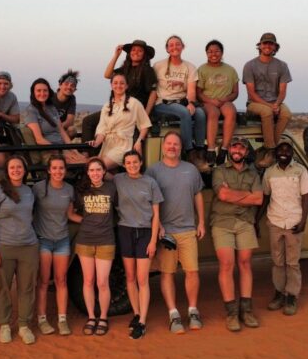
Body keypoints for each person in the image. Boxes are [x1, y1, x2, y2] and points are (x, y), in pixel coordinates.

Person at [147, 131, 206, 333]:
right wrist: (157, 227)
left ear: (181, 148)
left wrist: (201, 222)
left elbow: (198, 195)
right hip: (166, 232)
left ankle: (192, 310)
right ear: (163, 147)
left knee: (192, 271)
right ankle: (173, 314)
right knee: (167, 273)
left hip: (189, 229)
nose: (172, 147)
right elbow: (148, 201)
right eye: (169, 143)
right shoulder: (153, 171)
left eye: (176, 144)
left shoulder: (191, 170)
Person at [0, 155, 40, 345]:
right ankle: (5, 325)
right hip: (4, 247)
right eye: (12, 167)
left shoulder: (29, 191)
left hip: (28, 246)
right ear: (7, 171)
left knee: (27, 287)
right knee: (3, 287)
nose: (16, 170)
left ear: (25, 169)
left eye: (20, 167)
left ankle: (24, 325)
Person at [210, 137, 264, 331]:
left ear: (246, 152)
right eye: (234, 146)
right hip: (222, 222)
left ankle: (246, 310)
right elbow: (222, 195)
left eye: (241, 148)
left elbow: (259, 199)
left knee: (245, 263)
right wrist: (246, 196)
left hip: (245, 222)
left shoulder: (253, 173)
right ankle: (232, 313)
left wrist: (234, 195)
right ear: (229, 150)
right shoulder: (219, 170)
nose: (237, 150)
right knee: (226, 264)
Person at [113, 150, 162, 340]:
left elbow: (156, 214)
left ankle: (142, 321)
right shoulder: (118, 179)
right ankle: (135, 313)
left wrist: (153, 241)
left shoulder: (150, 183)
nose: (132, 165)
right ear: (124, 164)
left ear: (140, 163)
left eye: (135, 162)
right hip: (125, 230)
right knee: (131, 277)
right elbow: (98, 172)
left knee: (143, 279)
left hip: (144, 233)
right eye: (128, 163)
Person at [33, 155, 81, 336]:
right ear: (48, 170)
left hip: (62, 241)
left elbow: (70, 215)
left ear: (65, 170)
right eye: (54, 168)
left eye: (61, 168)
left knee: (61, 280)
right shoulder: (38, 188)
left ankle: (62, 320)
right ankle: (42, 320)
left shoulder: (69, 190)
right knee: (44, 281)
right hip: (43, 240)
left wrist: (89, 222)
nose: (58, 171)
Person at [263, 142, 308, 316]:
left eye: (287, 150)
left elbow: (306, 197)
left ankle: (291, 296)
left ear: (292, 153)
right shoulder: (269, 173)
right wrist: (255, 220)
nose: (284, 153)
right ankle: (278, 294)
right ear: (276, 153)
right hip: (275, 221)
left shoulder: (300, 171)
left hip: (294, 222)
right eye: (281, 150)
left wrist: (303, 220)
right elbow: (266, 198)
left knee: (292, 263)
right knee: (277, 262)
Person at [74, 157, 118, 336]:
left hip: (106, 240)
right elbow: (71, 212)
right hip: (85, 240)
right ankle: (91, 316)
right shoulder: (82, 191)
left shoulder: (111, 188)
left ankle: (104, 317)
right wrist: (84, 221)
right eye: (92, 170)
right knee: (88, 281)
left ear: (104, 171)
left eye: (98, 170)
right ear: (87, 173)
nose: (95, 173)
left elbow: (119, 209)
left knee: (102, 282)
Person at [151, 35, 208, 172]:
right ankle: (189, 151)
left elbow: (191, 90)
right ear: (167, 49)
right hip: (162, 103)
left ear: (183, 47)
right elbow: (152, 89)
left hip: (182, 101)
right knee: (184, 112)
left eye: (178, 44)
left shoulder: (189, 67)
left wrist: (191, 103)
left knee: (200, 113)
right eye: (171, 45)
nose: (174, 47)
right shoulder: (158, 66)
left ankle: (199, 150)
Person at [82, 40, 157, 142]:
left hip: (133, 109)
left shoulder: (147, 70)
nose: (136, 52)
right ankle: (87, 154)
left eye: (140, 51)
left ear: (144, 54)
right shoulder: (124, 69)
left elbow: (153, 92)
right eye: (133, 50)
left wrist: (146, 114)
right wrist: (116, 55)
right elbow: (107, 75)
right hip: (117, 107)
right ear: (129, 53)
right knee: (88, 121)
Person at [243, 33, 293, 168]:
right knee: (266, 112)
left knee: (286, 114)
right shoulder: (250, 65)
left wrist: (276, 104)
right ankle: (271, 150)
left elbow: (282, 91)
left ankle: (270, 148)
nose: (267, 46)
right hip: (255, 103)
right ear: (259, 46)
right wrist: (270, 106)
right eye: (265, 43)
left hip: (276, 102)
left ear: (275, 47)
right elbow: (251, 93)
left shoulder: (282, 66)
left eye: (271, 44)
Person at [89, 73, 152, 170]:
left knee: (99, 168)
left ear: (127, 86)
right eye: (115, 83)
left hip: (123, 145)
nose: (118, 86)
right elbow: (102, 129)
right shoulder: (107, 106)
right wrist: (96, 143)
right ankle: (120, 182)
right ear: (111, 85)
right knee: (93, 168)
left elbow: (145, 125)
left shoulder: (134, 103)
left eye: (122, 83)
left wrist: (139, 141)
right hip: (107, 145)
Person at [22, 78, 87, 164]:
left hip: (61, 148)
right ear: (33, 93)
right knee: (82, 164)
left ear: (49, 92)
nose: (42, 93)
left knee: (88, 161)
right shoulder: (31, 111)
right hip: (49, 152)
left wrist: (73, 150)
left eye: (45, 90)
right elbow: (39, 139)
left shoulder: (51, 108)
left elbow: (62, 131)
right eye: (39, 91)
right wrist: (61, 153)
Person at [196, 40, 239, 166]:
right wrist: (211, 101)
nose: (213, 54)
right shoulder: (202, 69)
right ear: (206, 53)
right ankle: (211, 149)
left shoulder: (230, 70)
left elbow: (235, 92)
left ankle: (224, 149)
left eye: (216, 51)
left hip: (224, 101)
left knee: (231, 112)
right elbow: (198, 93)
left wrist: (225, 99)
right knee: (213, 113)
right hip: (207, 101)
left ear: (222, 52)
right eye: (210, 51)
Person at [53, 70, 79, 139]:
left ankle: (61, 148)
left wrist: (57, 129)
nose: (69, 87)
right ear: (60, 85)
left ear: (75, 89)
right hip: (47, 128)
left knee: (72, 130)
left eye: (72, 85)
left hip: (60, 129)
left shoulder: (72, 99)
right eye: (66, 84)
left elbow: (69, 122)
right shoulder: (50, 97)